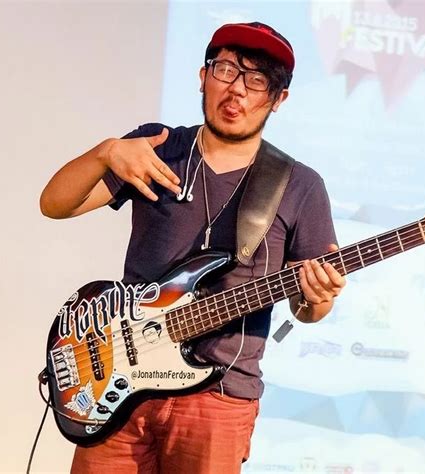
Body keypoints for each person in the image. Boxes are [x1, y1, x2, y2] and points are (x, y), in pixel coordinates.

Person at [40, 21, 346, 474]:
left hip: (219, 399)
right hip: (120, 381)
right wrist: (106, 151)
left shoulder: (300, 185)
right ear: (203, 76)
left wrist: (317, 297)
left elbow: (308, 310)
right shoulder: (157, 147)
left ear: (278, 99)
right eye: (226, 69)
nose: (237, 89)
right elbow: (55, 204)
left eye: (257, 79)